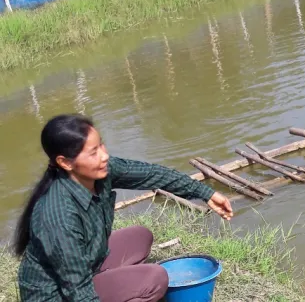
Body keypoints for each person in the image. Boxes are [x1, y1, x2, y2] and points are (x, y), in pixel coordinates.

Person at [14, 114, 234, 302]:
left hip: (86, 266)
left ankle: (113, 283)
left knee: (140, 237)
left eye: (101, 144)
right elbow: (78, 290)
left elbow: (153, 174)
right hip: (59, 295)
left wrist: (207, 194)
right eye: (93, 153)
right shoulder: (58, 214)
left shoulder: (101, 172)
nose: (104, 155)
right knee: (154, 278)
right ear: (65, 163)